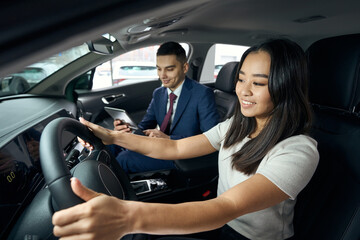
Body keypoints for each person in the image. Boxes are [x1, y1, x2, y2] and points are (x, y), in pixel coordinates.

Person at [52, 38, 319, 240]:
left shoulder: (298, 150)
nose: (243, 91)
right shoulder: (236, 125)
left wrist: (128, 216)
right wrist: (111, 137)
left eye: (258, 83)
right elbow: (176, 147)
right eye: (240, 79)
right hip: (221, 226)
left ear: (286, 86)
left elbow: (227, 206)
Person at [109, 41, 219, 173]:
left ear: (184, 68)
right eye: (159, 68)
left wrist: (168, 139)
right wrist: (126, 129)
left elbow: (211, 138)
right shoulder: (159, 93)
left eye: (169, 69)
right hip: (158, 146)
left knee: (124, 159)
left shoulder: (202, 94)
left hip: (183, 154)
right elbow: (144, 126)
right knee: (110, 144)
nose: (162, 75)